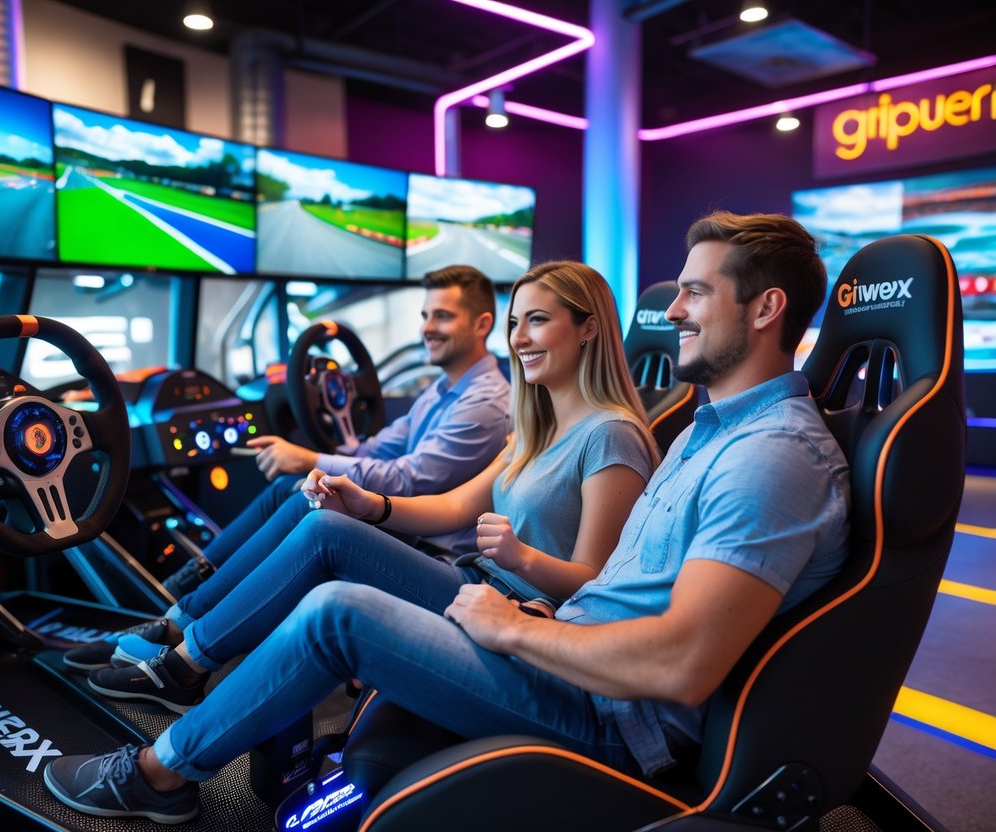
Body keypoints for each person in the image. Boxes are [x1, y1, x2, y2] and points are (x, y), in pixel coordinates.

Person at [44, 212, 852, 826]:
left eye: (694, 292)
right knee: (326, 535)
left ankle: (157, 775)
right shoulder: (709, 431)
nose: (671, 310)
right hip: (565, 649)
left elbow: (681, 665)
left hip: (607, 713)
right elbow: (611, 588)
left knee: (336, 613)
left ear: (764, 309)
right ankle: (180, 659)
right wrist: (523, 611)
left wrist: (516, 627)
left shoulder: (770, 456)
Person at [80, 262, 660, 713]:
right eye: (516, 322)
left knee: (321, 530)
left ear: (588, 329)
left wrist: (520, 557)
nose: (520, 338)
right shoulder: (535, 425)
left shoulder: (605, 434)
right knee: (317, 514)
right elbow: (452, 502)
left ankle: (182, 657)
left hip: (510, 605)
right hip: (473, 578)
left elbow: (593, 584)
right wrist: (368, 504)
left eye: (537, 320)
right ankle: (181, 639)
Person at [63, 264, 512, 671]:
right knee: (290, 489)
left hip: (431, 548)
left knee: (307, 503)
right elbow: (379, 448)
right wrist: (332, 438)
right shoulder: (442, 389)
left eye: (442, 317)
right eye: (425, 315)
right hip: (412, 528)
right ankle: (177, 609)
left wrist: (309, 458)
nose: (427, 328)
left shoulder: (484, 404)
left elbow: (410, 479)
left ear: (482, 324)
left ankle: (179, 628)